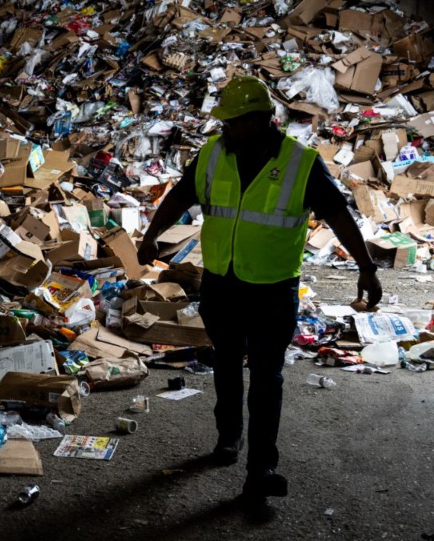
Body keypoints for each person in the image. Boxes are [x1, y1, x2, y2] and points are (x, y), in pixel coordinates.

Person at [137, 75, 382, 503]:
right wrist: (151, 234)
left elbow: (339, 215)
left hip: (272, 289)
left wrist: (366, 267)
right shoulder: (214, 153)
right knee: (227, 366)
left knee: (267, 378)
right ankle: (228, 438)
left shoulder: (301, 162)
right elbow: (180, 196)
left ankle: (262, 468)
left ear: (262, 120)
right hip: (221, 283)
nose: (225, 129)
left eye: (234, 122)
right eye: (224, 122)